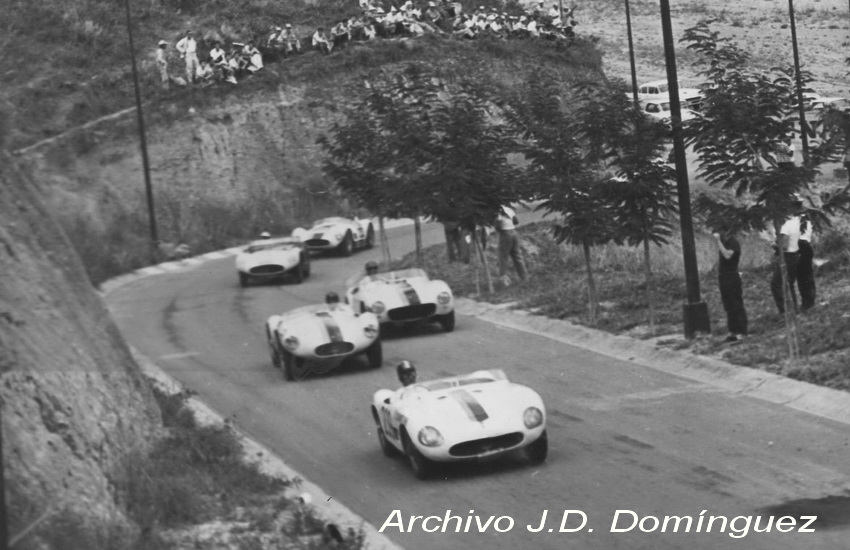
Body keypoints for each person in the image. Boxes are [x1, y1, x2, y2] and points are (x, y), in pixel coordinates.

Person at [713, 229, 748, 342]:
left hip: (732, 276)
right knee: (728, 305)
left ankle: (742, 331)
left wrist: (718, 241)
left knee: (736, 304)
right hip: (723, 275)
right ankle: (733, 331)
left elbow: (728, 256)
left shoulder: (733, 242)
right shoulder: (725, 242)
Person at [770, 206, 802, 315]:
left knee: (776, 284)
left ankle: (785, 311)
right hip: (797, 255)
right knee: (790, 284)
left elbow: (783, 246)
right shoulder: (797, 222)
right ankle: (794, 309)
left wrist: (774, 245)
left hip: (788, 257)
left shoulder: (786, 225)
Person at [495, 205, 528, 286]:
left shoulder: (498, 212)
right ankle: (524, 278)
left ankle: (504, 281)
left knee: (503, 257)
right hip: (514, 233)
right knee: (517, 256)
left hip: (505, 234)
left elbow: (498, 228)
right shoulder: (509, 210)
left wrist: (498, 221)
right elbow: (516, 222)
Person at [796, 200, 816, 312]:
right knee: (805, 276)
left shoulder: (802, 219)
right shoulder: (804, 218)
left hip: (802, 246)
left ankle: (808, 303)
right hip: (804, 246)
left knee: (804, 277)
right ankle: (808, 301)